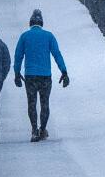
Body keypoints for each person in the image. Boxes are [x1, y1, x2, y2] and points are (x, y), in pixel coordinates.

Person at [13, 9, 69, 142]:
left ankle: (34, 130)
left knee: (31, 104)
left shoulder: (24, 36)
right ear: (42, 23)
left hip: (30, 76)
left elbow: (18, 56)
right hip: (45, 76)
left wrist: (16, 73)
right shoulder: (49, 36)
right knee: (45, 103)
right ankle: (43, 129)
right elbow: (57, 54)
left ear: (30, 23)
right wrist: (64, 72)